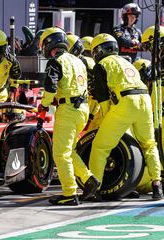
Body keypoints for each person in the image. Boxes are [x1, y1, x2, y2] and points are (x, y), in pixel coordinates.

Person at [89, 33, 163, 200]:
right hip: (144, 100)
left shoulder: (101, 65)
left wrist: (108, 121)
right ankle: (157, 184)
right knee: (149, 144)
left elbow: (103, 98)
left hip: (125, 102)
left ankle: (95, 187)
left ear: (98, 51)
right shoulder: (127, 61)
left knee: (100, 147)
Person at [38, 27, 100, 205]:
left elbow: (51, 87)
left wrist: (43, 106)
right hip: (82, 110)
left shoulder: (56, 61)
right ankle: (89, 180)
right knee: (69, 151)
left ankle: (69, 193)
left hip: (68, 111)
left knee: (60, 154)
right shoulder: (78, 61)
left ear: (50, 43)